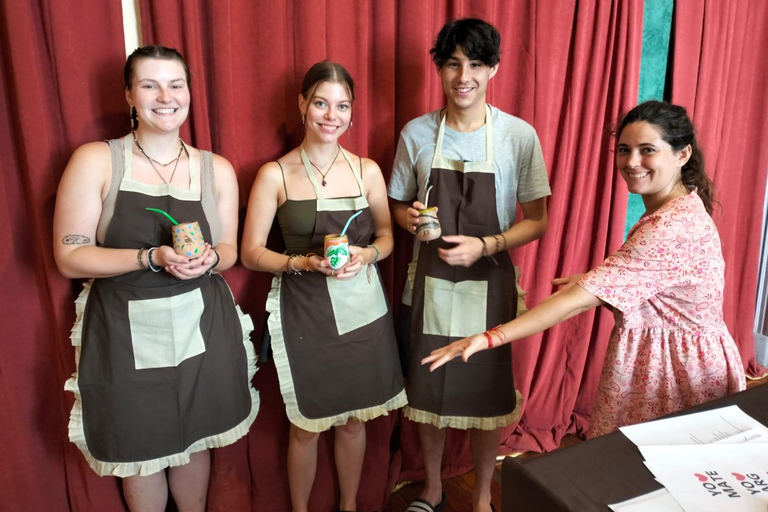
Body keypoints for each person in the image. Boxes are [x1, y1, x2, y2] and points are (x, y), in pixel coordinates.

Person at [423, 100, 747, 440]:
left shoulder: (669, 226)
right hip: (680, 361)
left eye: (647, 150)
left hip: (676, 373)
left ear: (682, 155)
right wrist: (600, 281)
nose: (632, 162)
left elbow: (575, 303)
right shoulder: (680, 205)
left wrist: (489, 337)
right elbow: (660, 284)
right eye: (624, 149)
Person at [53, 45, 259, 511]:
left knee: (195, 437)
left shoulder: (216, 169)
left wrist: (210, 260)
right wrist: (150, 257)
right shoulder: (98, 160)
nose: (165, 96)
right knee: (141, 452)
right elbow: (69, 256)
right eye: (149, 85)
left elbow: (227, 250)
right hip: (124, 332)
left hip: (200, 324)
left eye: (176, 84)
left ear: (189, 92)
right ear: (129, 95)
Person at [388, 18, 550, 512]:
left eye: (476, 64)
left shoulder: (518, 136)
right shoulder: (416, 133)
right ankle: (434, 488)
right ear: (438, 67)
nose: (464, 76)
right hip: (432, 287)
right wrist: (410, 220)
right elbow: (395, 204)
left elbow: (538, 220)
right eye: (453, 63)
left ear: (493, 69)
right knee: (430, 390)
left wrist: (487, 246)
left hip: (491, 283)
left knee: (487, 393)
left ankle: (481, 495)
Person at [241, 60, 405, 512]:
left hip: (361, 306)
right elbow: (251, 253)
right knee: (306, 425)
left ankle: (348, 506)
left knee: (353, 422)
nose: (331, 115)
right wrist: (305, 262)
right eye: (320, 103)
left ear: (353, 114)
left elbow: (388, 238)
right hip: (304, 309)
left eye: (342, 105)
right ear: (302, 105)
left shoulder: (367, 170)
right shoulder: (274, 174)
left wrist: (366, 254)